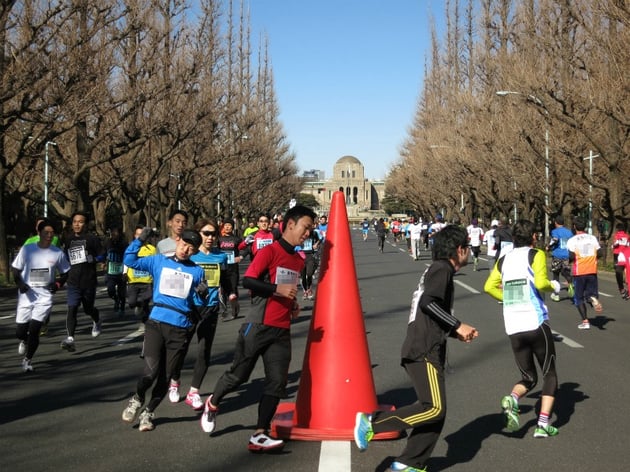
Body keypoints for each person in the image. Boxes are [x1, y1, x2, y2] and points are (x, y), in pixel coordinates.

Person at [353, 225, 479, 471]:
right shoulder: (442, 269)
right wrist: (457, 324)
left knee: (433, 410)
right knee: (433, 408)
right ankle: (372, 423)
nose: (470, 252)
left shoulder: (439, 271)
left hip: (425, 346)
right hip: (424, 350)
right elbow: (428, 303)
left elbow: (431, 311)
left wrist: (455, 332)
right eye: (467, 248)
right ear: (460, 249)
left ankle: (409, 463)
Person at [200, 205, 317, 452]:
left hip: (282, 328)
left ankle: (259, 433)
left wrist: (293, 303)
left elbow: (287, 288)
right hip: (258, 324)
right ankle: (213, 402)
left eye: (311, 229)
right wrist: (277, 291)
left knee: (277, 383)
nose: (308, 233)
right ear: (291, 224)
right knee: (238, 375)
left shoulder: (297, 260)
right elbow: (249, 280)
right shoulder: (270, 251)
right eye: (306, 227)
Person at [121, 228, 206, 432]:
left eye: (191, 248)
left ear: (195, 251)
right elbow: (130, 261)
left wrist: (201, 295)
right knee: (150, 373)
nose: (186, 250)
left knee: (166, 377)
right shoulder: (158, 261)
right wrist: (139, 240)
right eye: (184, 244)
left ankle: (148, 412)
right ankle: (137, 398)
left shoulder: (197, 270)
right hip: (156, 323)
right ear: (177, 241)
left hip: (180, 328)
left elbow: (195, 301)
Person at [484, 220, 562, 438]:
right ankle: (543, 424)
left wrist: (508, 298)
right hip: (535, 321)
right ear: (534, 237)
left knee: (528, 377)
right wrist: (555, 286)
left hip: (513, 325)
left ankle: (513, 398)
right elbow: (541, 283)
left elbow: (488, 286)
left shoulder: (504, 259)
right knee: (550, 374)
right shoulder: (535, 254)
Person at [176, 219, 228, 410]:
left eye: (213, 234)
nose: (210, 237)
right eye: (206, 233)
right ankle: (175, 380)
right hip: (189, 308)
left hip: (211, 308)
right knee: (181, 347)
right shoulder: (189, 255)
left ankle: (194, 392)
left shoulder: (220, 257)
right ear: (199, 234)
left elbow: (226, 278)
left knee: (204, 350)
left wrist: (232, 295)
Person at [12, 219, 71, 371]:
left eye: (52, 233)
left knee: (34, 330)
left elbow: (66, 273)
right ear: (39, 233)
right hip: (26, 295)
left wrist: (57, 284)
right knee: (20, 331)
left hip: (44, 297)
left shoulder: (57, 253)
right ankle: (24, 340)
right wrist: (20, 284)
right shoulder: (28, 250)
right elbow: (15, 270)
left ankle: (27, 360)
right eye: (46, 232)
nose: (49, 236)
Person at [60, 211, 105, 352]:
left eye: (80, 222)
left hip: (89, 280)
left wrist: (95, 259)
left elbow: (103, 254)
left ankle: (97, 320)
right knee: (72, 308)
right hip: (73, 280)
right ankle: (70, 338)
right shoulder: (68, 239)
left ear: (85, 224)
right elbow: (66, 258)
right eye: (74, 222)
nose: (77, 224)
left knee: (88, 309)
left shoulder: (92, 239)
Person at [567, 215, 603, 330]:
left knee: (578, 298)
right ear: (585, 226)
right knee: (590, 293)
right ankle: (593, 299)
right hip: (592, 270)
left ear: (574, 227)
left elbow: (572, 256)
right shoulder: (592, 238)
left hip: (579, 271)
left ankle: (585, 321)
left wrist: (570, 262)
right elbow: (600, 253)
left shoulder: (572, 240)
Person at [125, 225, 157, 324]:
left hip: (147, 281)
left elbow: (155, 264)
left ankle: (146, 322)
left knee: (146, 301)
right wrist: (124, 273)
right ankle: (139, 306)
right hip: (133, 280)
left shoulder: (152, 249)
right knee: (131, 302)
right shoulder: (132, 247)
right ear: (135, 236)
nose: (141, 237)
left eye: (143, 235)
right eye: (139, 235)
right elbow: (126, 260)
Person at [218, 219, 244, 321]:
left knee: (233, 289)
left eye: (230, 225)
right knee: (223, 290)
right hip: (222, 268)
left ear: (233, 227)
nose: (228, 227)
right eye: (226, 225)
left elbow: (245, 248)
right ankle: (224, 310)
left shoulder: (237, 239)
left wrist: (241, 257)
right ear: (223, 227)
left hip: (233, 269)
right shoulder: (219, 239)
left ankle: (234, 309)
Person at [546, 215, 574, 302]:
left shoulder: (555, 231)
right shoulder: (569, 232)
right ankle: (570, 283)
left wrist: (548, 247)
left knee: (556, 274)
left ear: (556, 223)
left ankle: (556, 294)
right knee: (565, 271)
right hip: (566, 255)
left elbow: (554, 240)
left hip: (557, 255)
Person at [104, 226, 128, 315]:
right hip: (110, 271)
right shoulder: (107, 242)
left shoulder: (124, 244)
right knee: (110, 290)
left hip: (121, 271)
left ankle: (122, 308)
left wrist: (126, 270)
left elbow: (128, 257)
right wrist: (103, 261)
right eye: (113, 234)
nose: (114, 236)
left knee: (122, 293)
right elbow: (103, 253)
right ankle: (116, 299)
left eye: (116, 234)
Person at [299, 225, 322, 299]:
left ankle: (309, 288)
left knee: (309, 273)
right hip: (301, 255)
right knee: (303, 276)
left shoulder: (314, 233)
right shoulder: (300, 233)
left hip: (310, 255)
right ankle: (305, 291)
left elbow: (320, 239)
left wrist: (316, 244)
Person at [612, 222, 630, 299]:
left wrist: (612, 246)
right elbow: (628, 245)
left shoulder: (616, 235)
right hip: (626, 254)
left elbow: (615, 243)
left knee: (618, 271)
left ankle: (621, 288)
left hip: (617, 254)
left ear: (618, 229)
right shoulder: (627, 236)